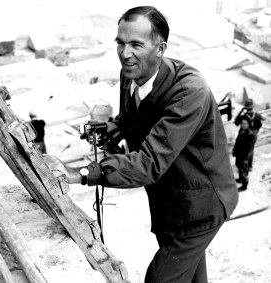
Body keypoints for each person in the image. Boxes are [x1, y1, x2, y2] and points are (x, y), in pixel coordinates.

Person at [45, 6, 238, 283]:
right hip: (170, 202)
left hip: (200, 207)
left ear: (160, 48)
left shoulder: (188, 92)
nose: (125, 54)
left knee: (161, 279)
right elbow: (130, 120)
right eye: (120, 43)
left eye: (136, 44)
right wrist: (108, 128)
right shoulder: (132, 73)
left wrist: (80, 174)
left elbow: (148, 163)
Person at [234, 98, 265, 170]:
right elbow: (263, 120)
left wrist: (241, 111)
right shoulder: (257, 115)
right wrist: (256, 130)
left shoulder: (244, 116)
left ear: (246, 107)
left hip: (245, 134)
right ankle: (249, 166)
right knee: (251, 149)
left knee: (243, 149)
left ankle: (244, 165)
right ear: (252, 106)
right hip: (254, 134)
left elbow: (236, 122)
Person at [232, 118, 255, 192]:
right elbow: (237, 141)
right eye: (242, 123)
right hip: (239, 154)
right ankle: (240, 179)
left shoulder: (250, 134)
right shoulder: (241, 130)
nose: (243, 125)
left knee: (244, 171)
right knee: (238, 166)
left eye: (245, 123)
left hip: (244, 156)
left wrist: (246, 159)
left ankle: (244, 186)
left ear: (248, 124)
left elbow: (250, 149)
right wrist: (234, 151)